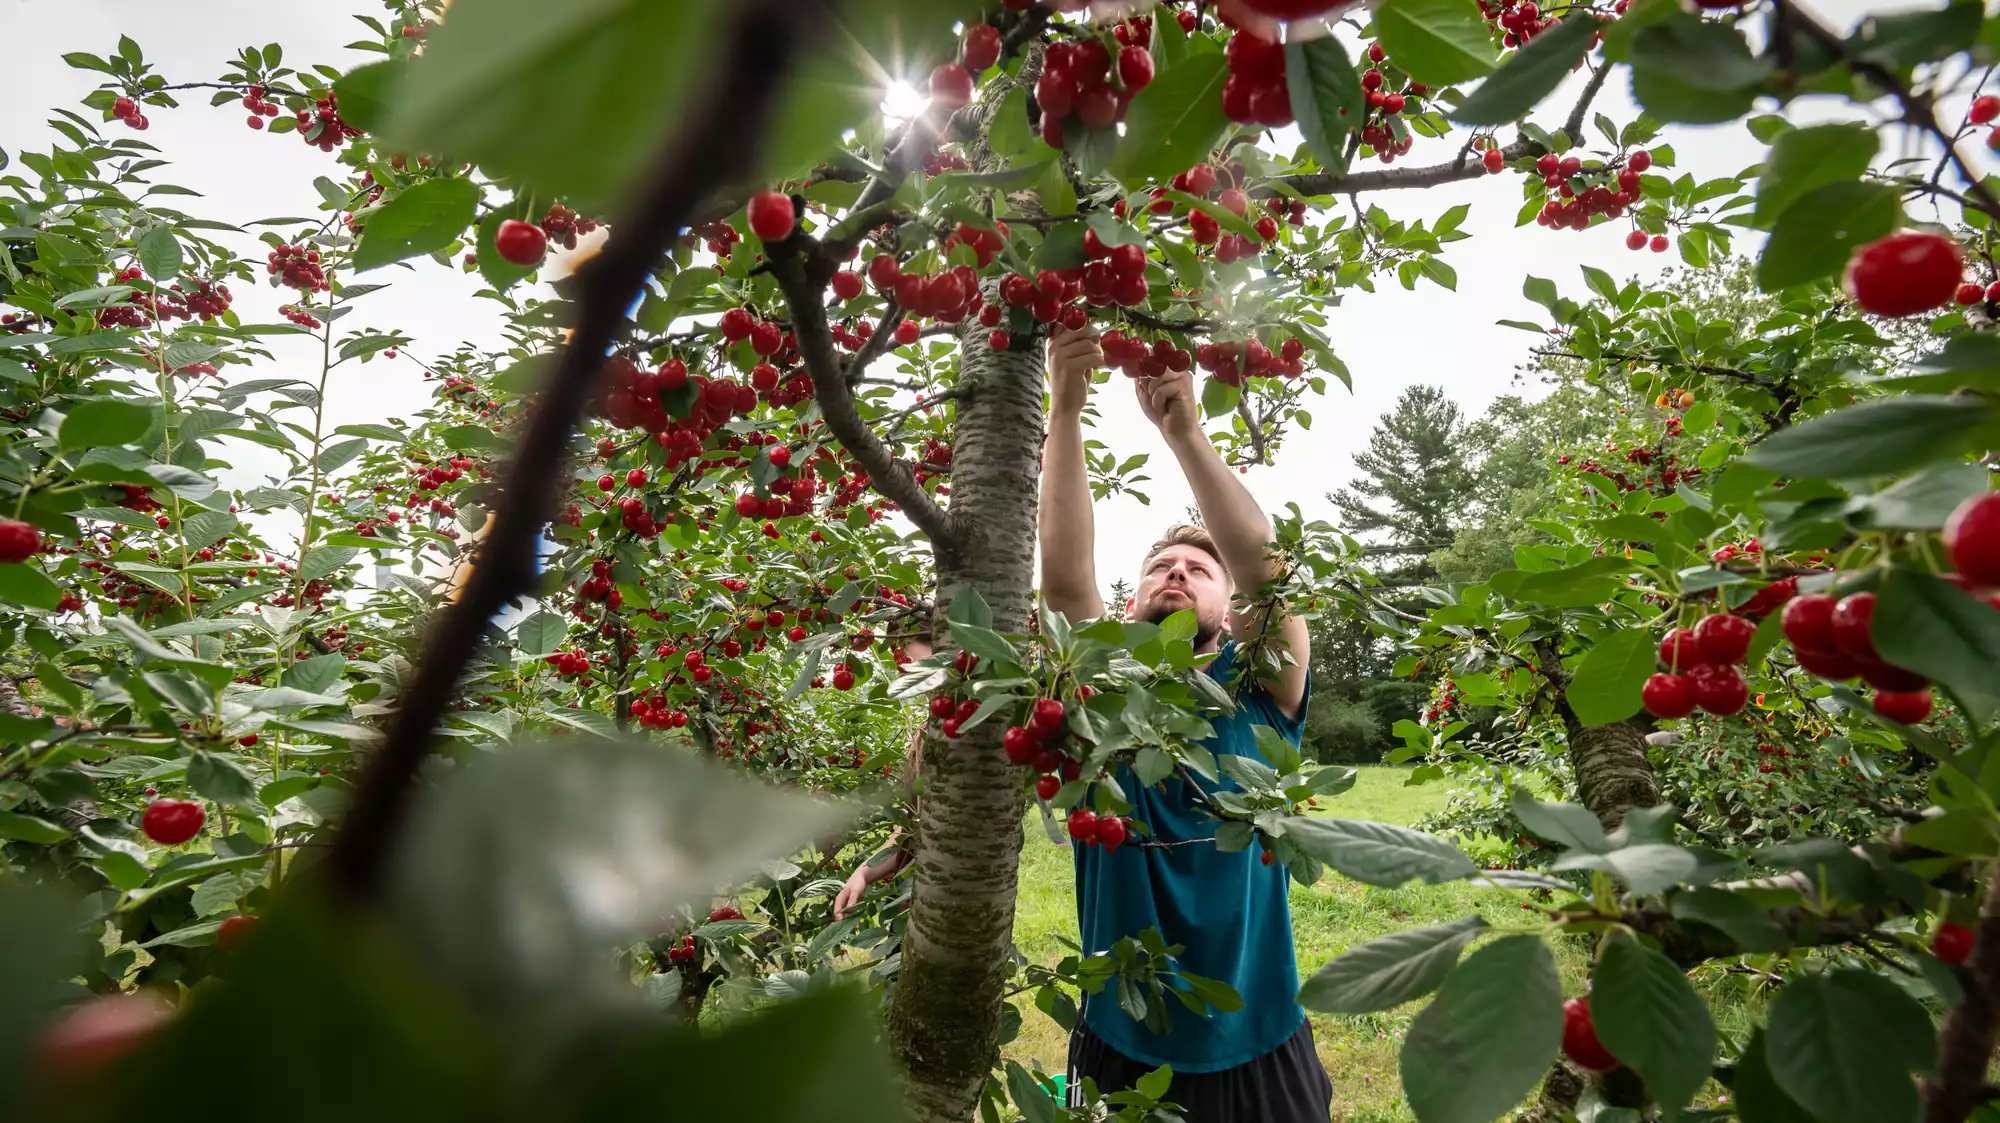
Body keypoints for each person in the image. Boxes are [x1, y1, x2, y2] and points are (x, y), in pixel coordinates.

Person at [1041, 323, 1327, 1121]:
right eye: (1160, 566)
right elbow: (1064, 582)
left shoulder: (1260, 689)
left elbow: (1269, 576)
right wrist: (1064, 410)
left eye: (1200, 569)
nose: (1176, 571)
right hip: (1121, 1035)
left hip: (1261, 1034)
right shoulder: (1098, 689)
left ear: (1229, 611)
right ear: (1131, 600)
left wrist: (1185, 432)